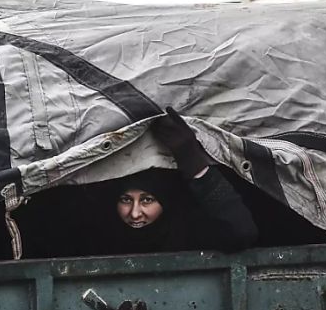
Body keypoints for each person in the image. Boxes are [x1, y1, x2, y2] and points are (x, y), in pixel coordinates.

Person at [107, 107, 258, 254]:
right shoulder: (102, 233)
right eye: (126, 200)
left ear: (165, 200)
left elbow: (241, 233)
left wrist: (194, 163)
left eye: (147, 200)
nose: (134, 214)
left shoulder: (185, 230)